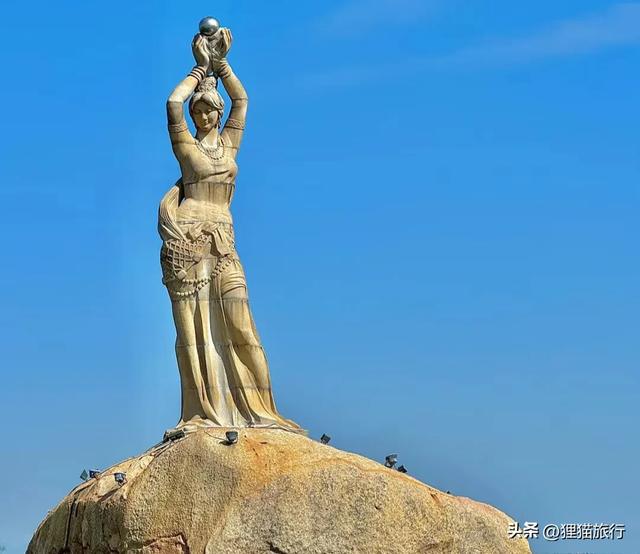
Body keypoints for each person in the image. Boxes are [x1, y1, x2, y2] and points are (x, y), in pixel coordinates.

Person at [159, 29, 300, 431]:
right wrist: (198, 70)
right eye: (198, 111)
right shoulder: (186, 147)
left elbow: (243, 99)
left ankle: (264, 413)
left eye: (208, 110)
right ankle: (204, 410)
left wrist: (221, 66)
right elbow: (172, 102)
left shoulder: (230, 145)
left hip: (224, 244)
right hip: (188, 243)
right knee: (194, 334)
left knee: (242, 327)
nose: (202, 116)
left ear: (218, 113)